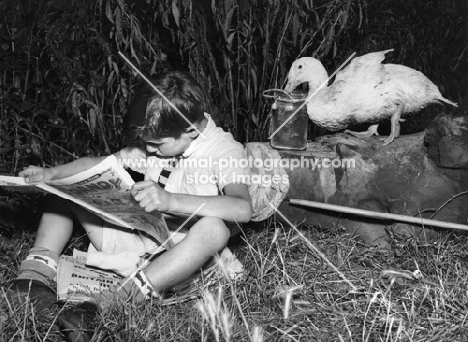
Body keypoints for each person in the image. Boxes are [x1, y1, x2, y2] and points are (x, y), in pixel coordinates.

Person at [3, 70, 252, 340]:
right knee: (65, 189)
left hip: (184, 263)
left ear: (190, 130)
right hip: (141, 244)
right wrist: (50, 174)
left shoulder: (225, 151)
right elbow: (97, 164)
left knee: (215, 229)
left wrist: (171, 201)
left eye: (156, 145)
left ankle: (106, 305)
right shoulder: (163, 140)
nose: (150, 150)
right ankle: (34, 277)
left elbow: (242, 209)